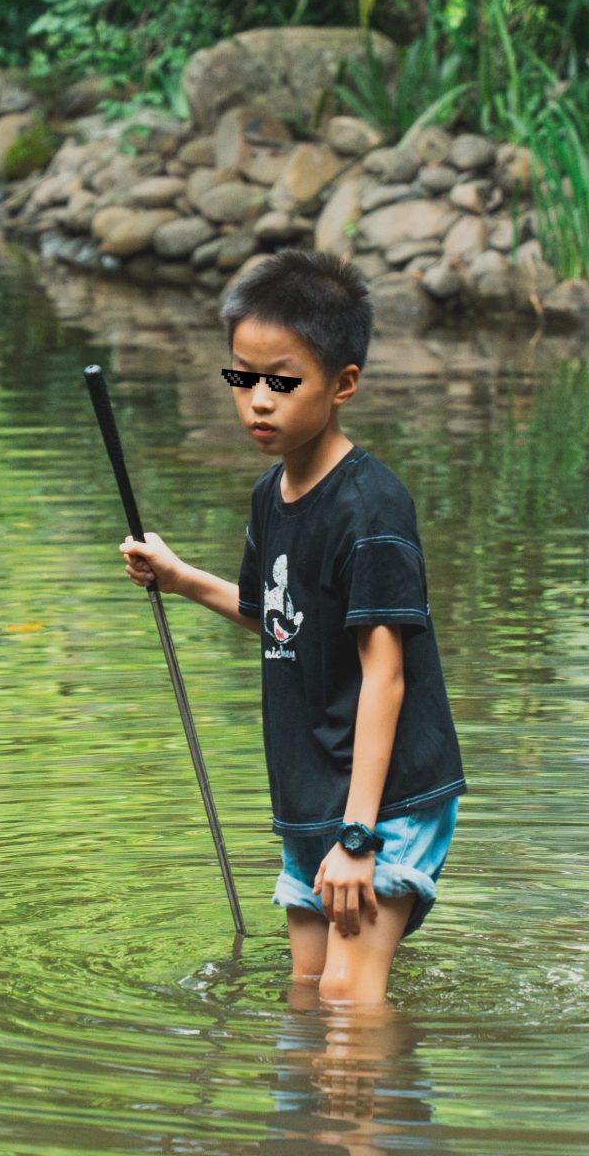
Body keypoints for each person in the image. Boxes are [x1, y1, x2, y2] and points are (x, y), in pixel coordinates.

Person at [119, 250, 467, 1005]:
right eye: (241, 378)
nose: (257, 402)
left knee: (347, 994)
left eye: (283, 380)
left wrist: (357, 837)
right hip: (313, 785)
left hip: (386, 796)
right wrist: (183, 580)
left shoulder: (371, 508)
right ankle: (313, 1130)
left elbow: (386, 672)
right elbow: (279, 620)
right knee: (307, 992)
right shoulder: (269, 499)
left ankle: (371, 1124)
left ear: (343, 384)